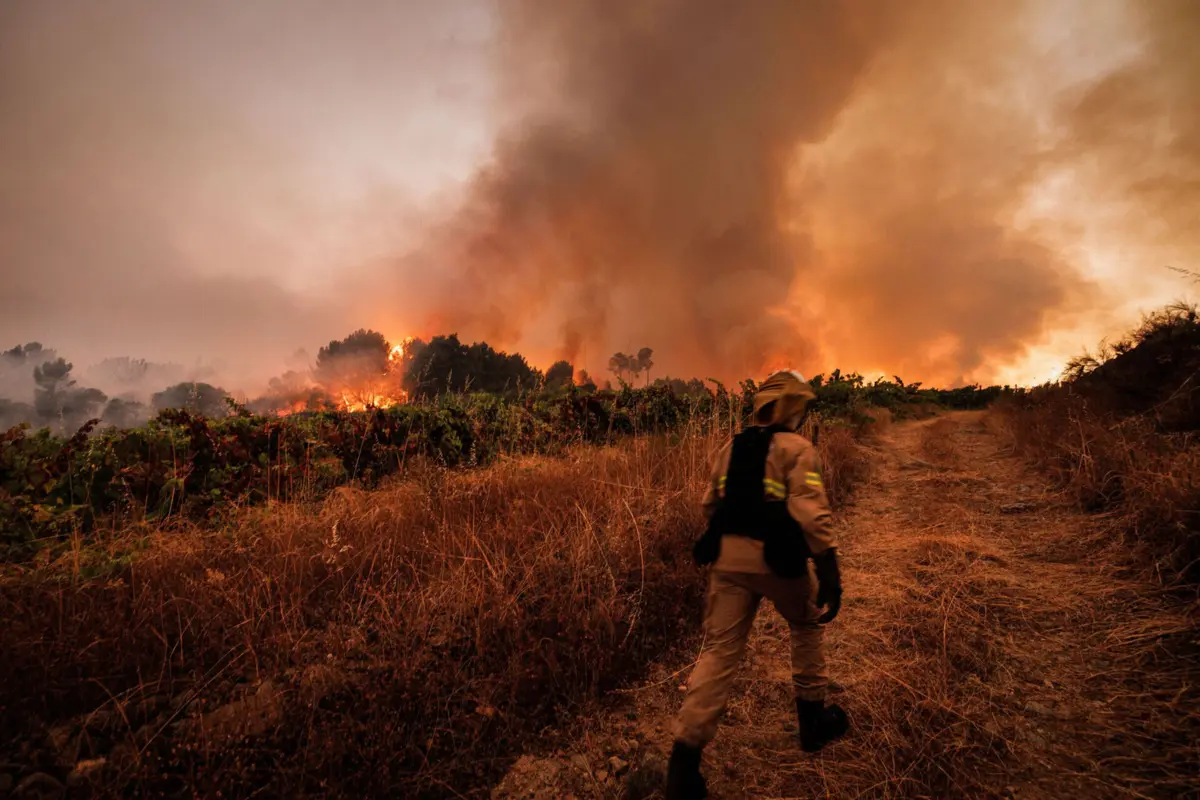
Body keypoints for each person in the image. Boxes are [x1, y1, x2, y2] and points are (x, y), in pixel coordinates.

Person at [665, 370, 848, 800]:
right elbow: (812, 513)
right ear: (791, 409)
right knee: (805, 625)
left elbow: (710, 505)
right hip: (779, 563)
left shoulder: (730, 447)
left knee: (719, 653)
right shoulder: (798, 448)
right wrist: (829, 570)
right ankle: (813, 724)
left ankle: (683, 768)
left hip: (728, 563)